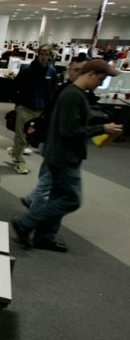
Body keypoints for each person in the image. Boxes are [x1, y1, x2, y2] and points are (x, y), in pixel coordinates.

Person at [11, 59, 123, 252]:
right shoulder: (73, 96)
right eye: (100, 79)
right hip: (64, 156)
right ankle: (26, 223)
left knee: (58, 197)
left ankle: (44, 237)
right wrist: (101, 128)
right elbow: (69, 131)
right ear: (91, 74)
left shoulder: (76, 94)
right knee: (71, 199)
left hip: (63, 154)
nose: (100, 84)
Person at [21, 54, 88, 211]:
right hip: (55, 145)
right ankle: (32, 218)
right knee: (47, 184)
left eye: (82, 70)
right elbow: (66, 128)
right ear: (69, 70)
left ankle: (31, 202)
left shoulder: (73, 91)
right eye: (76, 70)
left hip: (55, 145)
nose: (79, 73)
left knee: (47, 180)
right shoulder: (68, 93)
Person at [9, 44, 57, 174]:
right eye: (42, 54)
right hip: (25, 107)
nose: (44, 57)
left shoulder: (51, 71)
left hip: (41, 110)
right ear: (38, 54)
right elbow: (15, 86)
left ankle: (15, 151)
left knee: (33, 136)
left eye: (46, 55)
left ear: (49, 56)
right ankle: (19, 161)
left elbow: (52, 91)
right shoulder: (27, 70)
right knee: (21, 136)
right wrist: (17, 103)